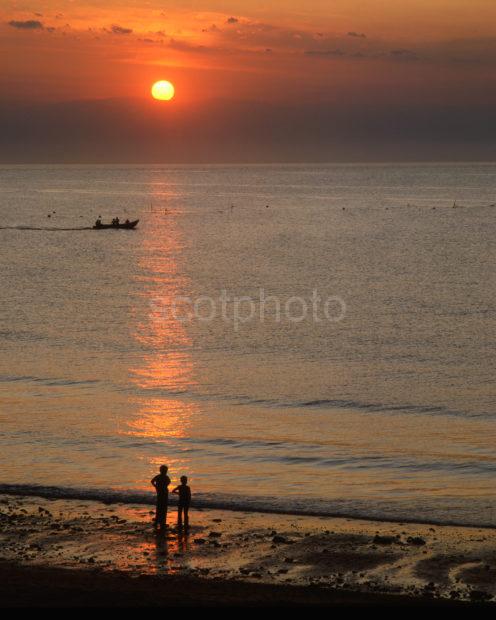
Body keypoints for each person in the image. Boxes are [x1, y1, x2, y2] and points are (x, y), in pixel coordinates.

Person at [151, 465, 171, 530]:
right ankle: (162, 522)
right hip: (164, 493)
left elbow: (152, 481)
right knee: (163, 507)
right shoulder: (165, 477)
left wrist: (156, 486)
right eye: (165, 470)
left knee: (159, 507)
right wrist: (163, 486)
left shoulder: (159, 476)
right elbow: (169, 482)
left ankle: (158, 521)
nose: (165, 471)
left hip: (161, 493)